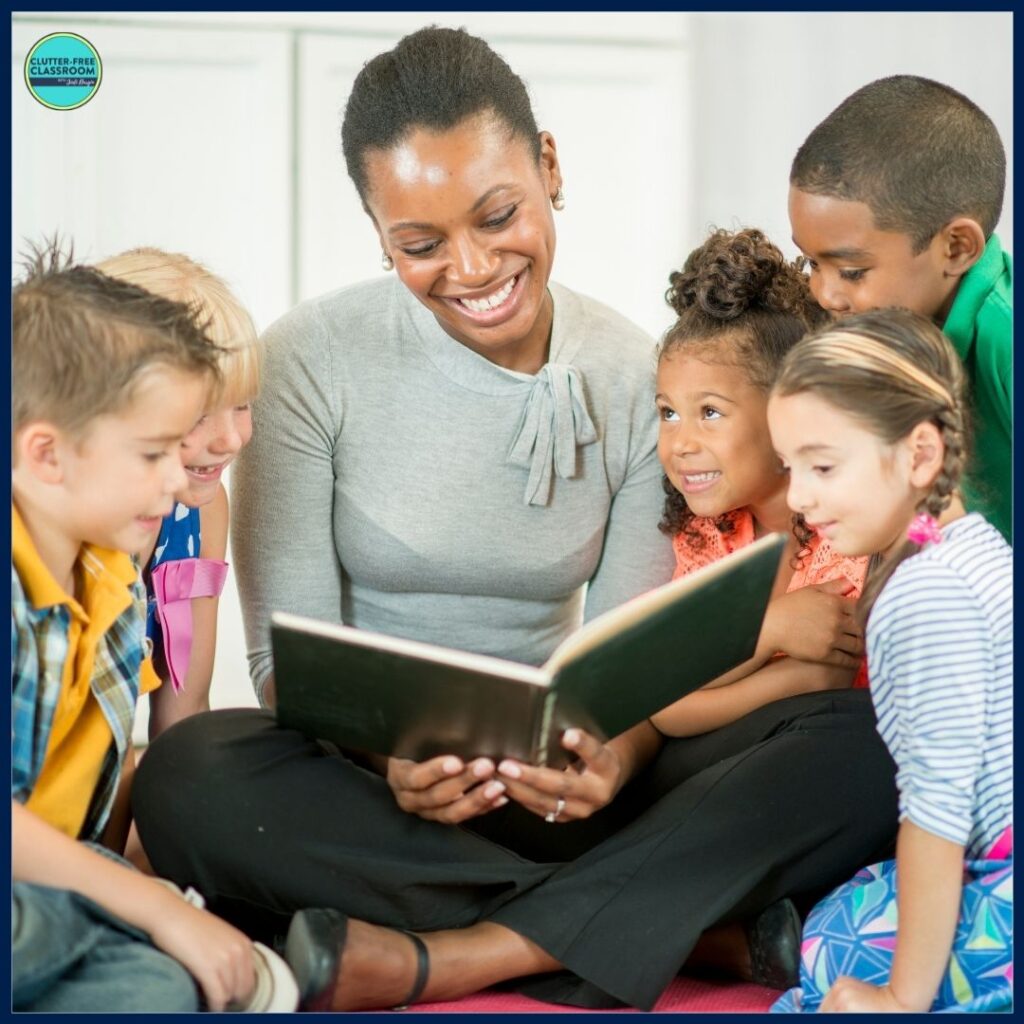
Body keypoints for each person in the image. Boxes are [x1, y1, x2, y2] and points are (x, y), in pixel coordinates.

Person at [132, 27, 899, 1012]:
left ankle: (468, 951)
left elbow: (635, 661)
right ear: (377, 232)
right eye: (419, 244)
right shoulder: (306, 365)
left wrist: (609, 756)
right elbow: (290, 666)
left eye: (497, 215)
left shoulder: (636, 379)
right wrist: (392, 760)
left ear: (548, 166)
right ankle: (688, 928)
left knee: (859, 739)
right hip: (379, 796)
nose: (472, 266)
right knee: (192, 774)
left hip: (573, 787)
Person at [10, 241, 282, 1011]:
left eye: (243, 405)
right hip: (40, 878)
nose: (230, 440)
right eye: (174, 436)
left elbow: (173, 737)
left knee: (158, 985)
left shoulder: (136, 553)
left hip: (66, 859)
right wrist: (149, 906)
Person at [767, 309, 1012, 1013]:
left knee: (830, 946)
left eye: (822, 466)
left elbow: (936, 815)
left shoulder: (926, 594)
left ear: (919, 455)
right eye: (790, 468)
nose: (798, 497)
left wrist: (901, 999)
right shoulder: (970, 546)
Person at [649, 228, 869, 741]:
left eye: (709, 412)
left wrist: (717, 668)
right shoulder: (711, 535)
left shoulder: (846, 536)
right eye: (667, 413)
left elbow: (831, 688)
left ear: (787, 415)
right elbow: (660, 701)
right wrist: (770, 630)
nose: (679, 442)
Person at [788, 74, 1012, 543]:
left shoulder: (1006, 338)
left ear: (956, 248)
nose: (826, 295)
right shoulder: (879, 333)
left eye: (851, 272)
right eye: (812, 264)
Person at [95, 248, 260, 740]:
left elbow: (183, 715)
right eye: (198, 416)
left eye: (243, 405)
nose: (229, 439)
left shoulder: (203, 513)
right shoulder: (71, 527)